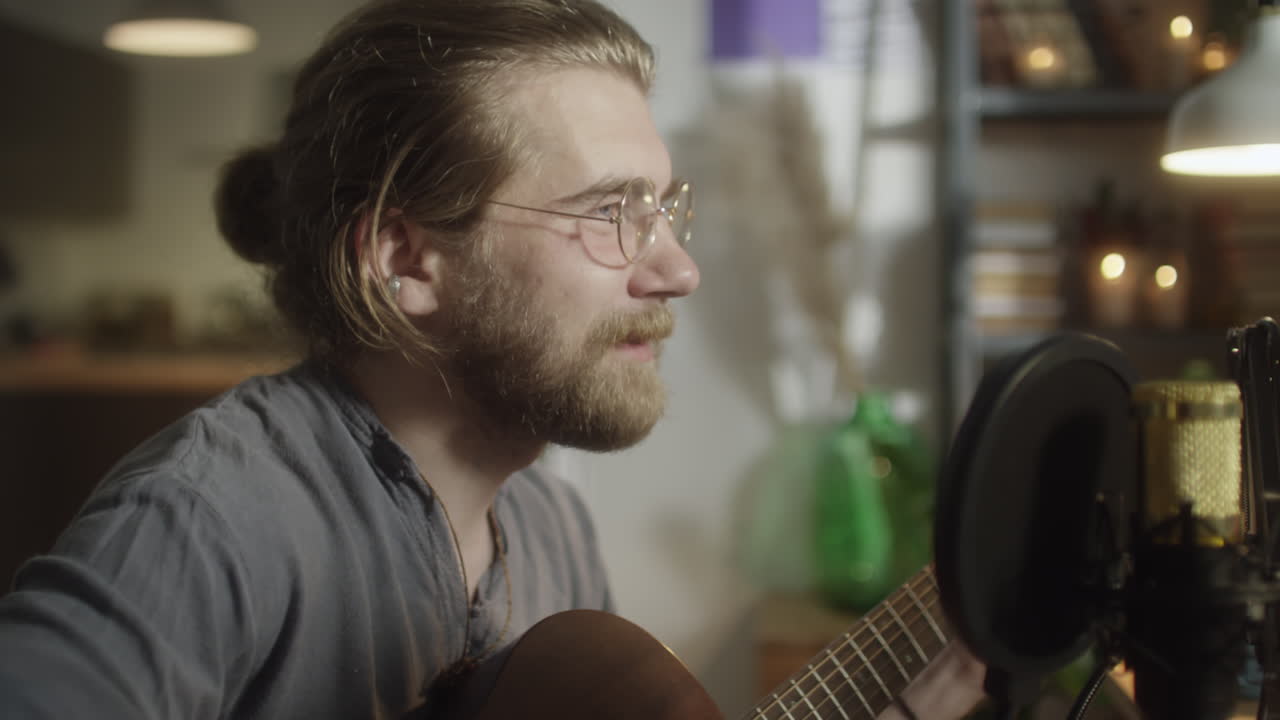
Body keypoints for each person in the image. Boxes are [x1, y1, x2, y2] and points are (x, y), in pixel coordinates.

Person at [0, 0, 985, 717]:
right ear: (405, 258)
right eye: (609, 213)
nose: (677, 269)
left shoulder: (552, 530)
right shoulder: (209, 520)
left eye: (662, 209)